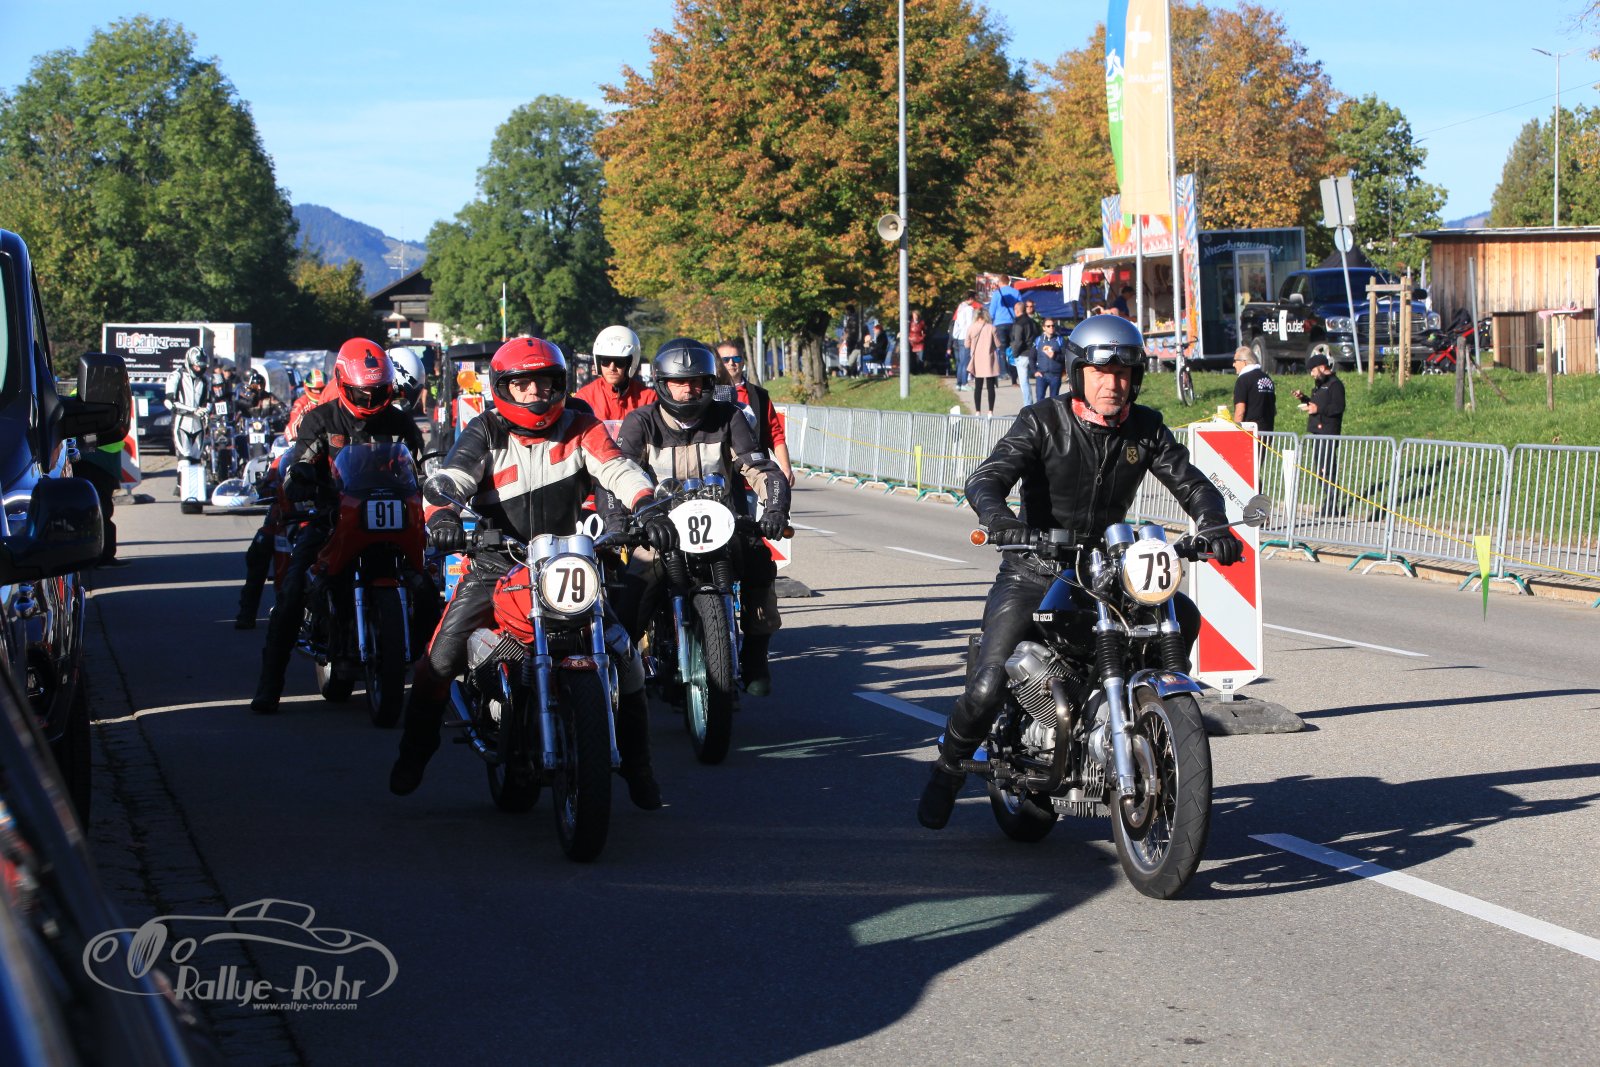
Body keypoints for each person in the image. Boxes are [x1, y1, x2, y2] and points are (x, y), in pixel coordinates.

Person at [917, 314, 1243, 830]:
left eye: (1123, 373)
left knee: (1181, 615)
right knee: (987, 684)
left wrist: (1213, 522)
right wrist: (1003, 521)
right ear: (1077, 373)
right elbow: (987, 479)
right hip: (1035, 568)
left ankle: (1147, 721)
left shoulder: (1146, 428)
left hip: (1107, 571)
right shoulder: (1041, 420)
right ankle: (948, 768)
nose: (1113, 384)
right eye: (1101, 372)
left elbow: (1193, 483)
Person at [388, 337, 676, 806]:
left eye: (544, 383)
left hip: (567, 563)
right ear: (502, 388)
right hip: (496, 566)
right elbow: (452, 479)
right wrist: (441, 516)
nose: (534, 393)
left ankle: (639, 768)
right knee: (437, 662)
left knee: (626, 661)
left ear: (560, 385)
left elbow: (618, 468)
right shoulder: (485, 430)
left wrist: (647, 505)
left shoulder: (581, 425)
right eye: (521, 384)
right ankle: (415, 753)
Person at [251, 339, 428, 714]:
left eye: (378, 391)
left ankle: (435, 677)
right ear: (344, 384)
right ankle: (269, 685)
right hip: (333, 517)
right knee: (293, 590)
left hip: (392, 518)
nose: (370, 399)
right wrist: (298, 479)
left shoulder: (400, 422)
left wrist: (433, 484)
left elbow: (421, 465)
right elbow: (299, 461)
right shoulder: (321, 419)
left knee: (429, 586)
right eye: (362, 392)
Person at [614, 338, 790, 696]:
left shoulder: (729, 417)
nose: (688, 390)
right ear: (662, 383)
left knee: (760, 562)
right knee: (631, 590)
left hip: (721, 525)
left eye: (696, 382)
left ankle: (755, 655)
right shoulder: (640, 422)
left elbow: (760, 467)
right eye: (679, 382)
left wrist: (774, 508)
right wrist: (620, 524)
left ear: (710, 383)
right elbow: (617, 475)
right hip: (660, 529)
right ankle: (622, 672)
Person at [716, 339, 794, 485]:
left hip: (754, 480)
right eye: (725, 359)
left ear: (743, 362)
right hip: (717, 479)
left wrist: (786, 467)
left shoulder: (759, 396)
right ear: (717, 363)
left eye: (736, 358)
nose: (731, 363)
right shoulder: (706, 394)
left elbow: (775, 434)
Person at [572, 324, 656, 428]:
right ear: (598, 362)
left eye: (619, 361)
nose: (612, 367)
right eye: (605, 361)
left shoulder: (649, 399)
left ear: (631, 362)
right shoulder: (584, 398)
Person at [1296, 352, 1345, 515]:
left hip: (1328, 432)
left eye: (1313, 370)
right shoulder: (1319, 384)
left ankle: (1331, 506)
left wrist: (1318, 409)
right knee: (1321, 470)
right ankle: (1328, 504)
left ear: (1322, 367)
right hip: (1317, 432)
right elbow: (1315, 404)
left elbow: (1338, 407)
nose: (1312, 374)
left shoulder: (1335, 385)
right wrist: (1304, 399)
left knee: (1327, 469)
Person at [165, 347, 210, 497]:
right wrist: (192, 410)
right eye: (197, 366)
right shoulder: (176, 376)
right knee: (185, 458)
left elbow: (208, 401)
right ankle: (181, 487)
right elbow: (169, 402)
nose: (199, 369)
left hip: (199, 424)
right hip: (182, 422)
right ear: (189, 363)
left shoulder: (205, 380)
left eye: (202, 366)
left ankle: (196, 490)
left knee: (196, 459)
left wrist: (207, 410)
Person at [1231, 346, 1276, 431]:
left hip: (1250, 432)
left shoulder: (1243, 379)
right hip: (1267, 431)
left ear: (1243, 362)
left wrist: (1235, 431)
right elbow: (1273, 409)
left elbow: (1240, 411)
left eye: (1235, 361)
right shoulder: (1267, 378)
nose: (1233, 364)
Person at [966, 306, 1001, 417]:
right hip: (989, 360)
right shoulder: (992, 328)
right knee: (991, 387)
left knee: (978, 387)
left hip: (977, 360)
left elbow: (966, 344)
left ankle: (977, 412)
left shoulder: (971, 328)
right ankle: (990, 411)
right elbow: (998, 344)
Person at [1032, 318, 1066, 401]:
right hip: (1041, 375)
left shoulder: (1059, 339)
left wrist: (1055, 356)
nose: (1051, 328)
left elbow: (1065, 357)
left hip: (1055, 375)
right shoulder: (1038, 340)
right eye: (1048, 326)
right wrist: (1034, 371)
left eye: (1053, 326)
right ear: (1044, 328)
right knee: (1040, 400)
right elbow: (1032, 357)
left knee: (1054, 400)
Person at [1012, 299, 1041, 398]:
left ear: (1017, 310)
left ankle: (1028, 403)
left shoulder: (1019, 323)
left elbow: (1018, 341)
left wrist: (1015, 353)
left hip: (1022, 353)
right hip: (1032, 352)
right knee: (1037, 378)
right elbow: (1037, 335)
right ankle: (1038, 401)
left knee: (1024, 382)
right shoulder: (1032, 322)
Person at [950, 293, 978, 390]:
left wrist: (956, 336)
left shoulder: (960, 308)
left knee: (961, 362)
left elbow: (957, 324)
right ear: (970, 298)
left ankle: (958, 383)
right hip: (966, 337)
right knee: (966, 362)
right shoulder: (969, 309)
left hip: (959, 337)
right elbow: (970, 324)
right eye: (974, 299)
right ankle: (964, 383)